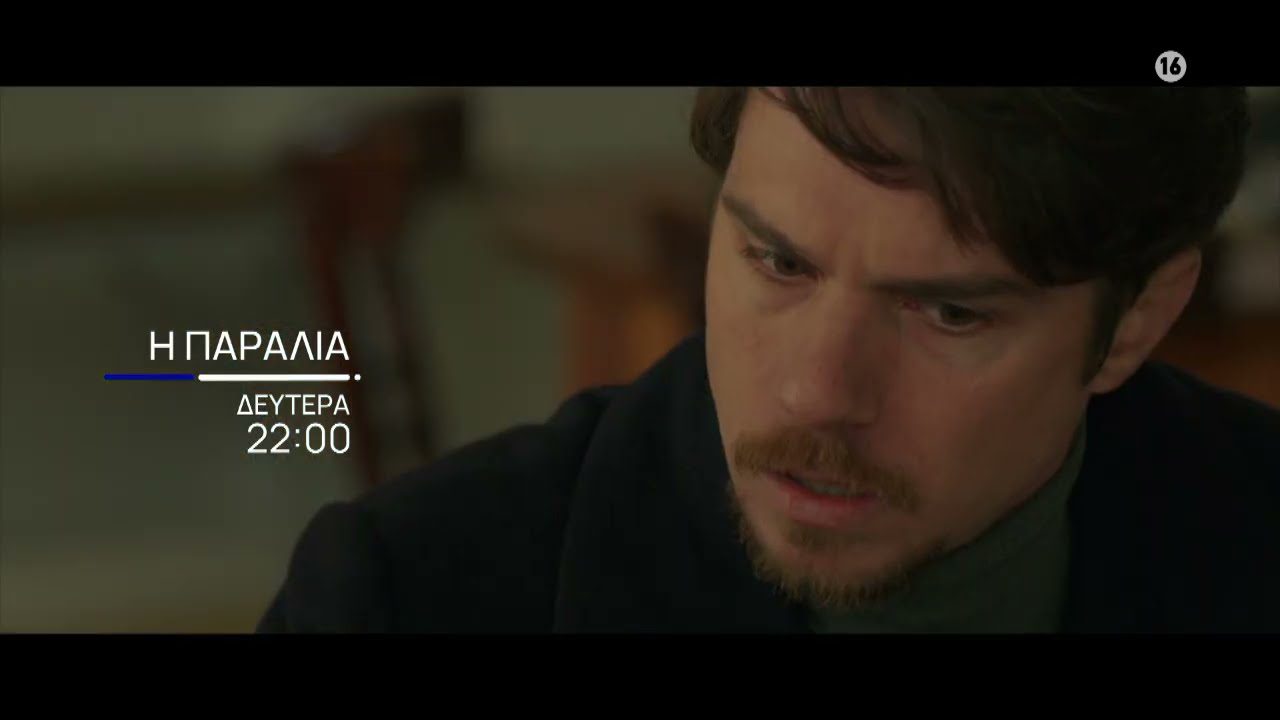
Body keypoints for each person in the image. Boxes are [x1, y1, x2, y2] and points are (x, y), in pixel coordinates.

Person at [258, 87, 1279, 633]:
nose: (812, 392)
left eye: (949, 315)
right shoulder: (397, 599)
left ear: (1136, 320)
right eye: (778, 261)